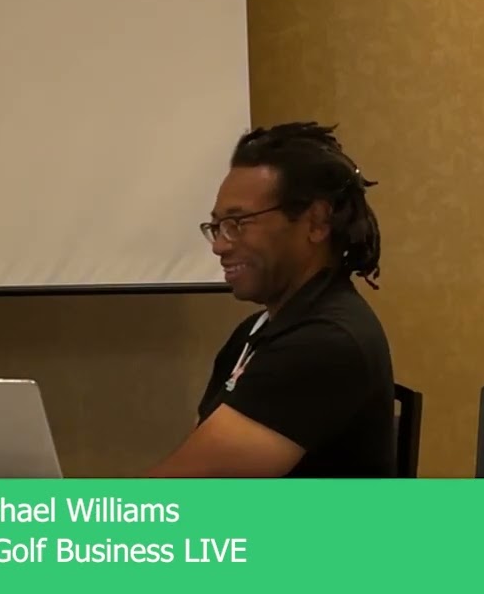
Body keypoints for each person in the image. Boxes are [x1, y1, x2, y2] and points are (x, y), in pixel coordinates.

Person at [146, 122, 394, 478]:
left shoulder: (325, 342)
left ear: (316, 222)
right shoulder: (258, 331)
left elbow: (193, 494)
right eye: (217, 227)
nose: (220, 245)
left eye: (238, 223)